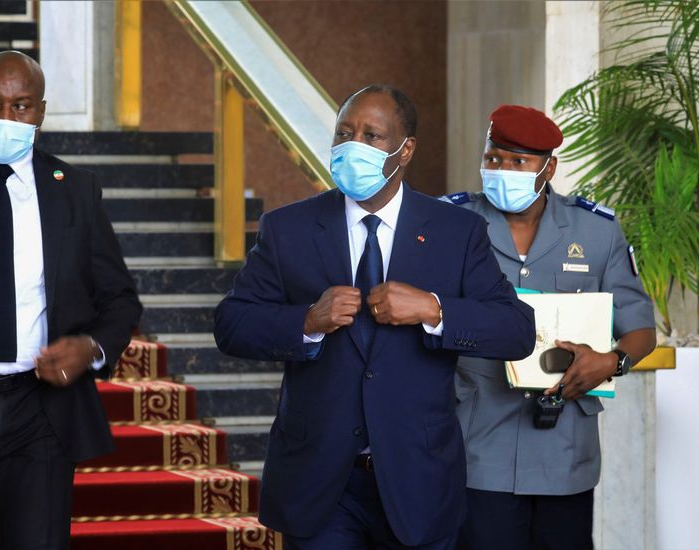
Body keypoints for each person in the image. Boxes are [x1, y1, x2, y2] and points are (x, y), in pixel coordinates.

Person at [214, 85, 535, 549]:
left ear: (405, 150)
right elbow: (231, 324)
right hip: (319, 481)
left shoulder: (456, 231)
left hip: (417, 480)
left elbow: (516, 330)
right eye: (344, 133)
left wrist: (433, 309)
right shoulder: (288, 228)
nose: (352, 146)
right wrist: (305, 322)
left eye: (371, 135)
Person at [0, 51, 142, 549]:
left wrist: (90, 346)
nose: (4, 118)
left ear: (40, 112)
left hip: (39, 413)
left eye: (20, 106)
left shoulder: (74, 191)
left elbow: (120, 298)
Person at [444, 105, 656, 550]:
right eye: (493, 158)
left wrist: (611, 363)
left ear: (548, 167)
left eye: (518, 162)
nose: (502, 170)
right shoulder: (450, 224)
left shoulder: (597, 230)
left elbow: (640, 329)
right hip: (477, 445)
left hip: (565, 451)